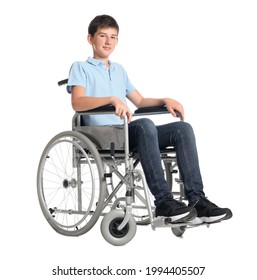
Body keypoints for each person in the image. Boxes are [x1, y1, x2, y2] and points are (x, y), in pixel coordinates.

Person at [67, 14, 232, 224]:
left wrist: (164, 99)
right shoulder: (80, 67)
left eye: (114, 37)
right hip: (102, 135)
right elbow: (78, 103)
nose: (109, 41)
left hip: (127, 133)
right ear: (90, 39)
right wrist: (111, 100)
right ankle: (163, 202)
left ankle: (197, 199)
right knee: (145, 125)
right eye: (103, 36)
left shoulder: (119, 70)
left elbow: (140, 101)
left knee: (183, 129)